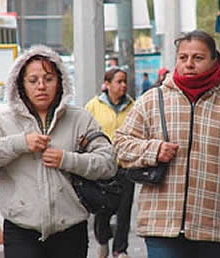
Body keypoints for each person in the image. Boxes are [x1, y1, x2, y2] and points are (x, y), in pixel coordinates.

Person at [113, 30, 220, 258]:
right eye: (183, 58)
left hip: (218, 227)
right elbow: (120, 144)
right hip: (162, 227)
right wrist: (154, 150)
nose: (189, 64)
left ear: (213, 61)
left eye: (197, 58)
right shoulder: (152, 100)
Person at [0, 45, 117, 258]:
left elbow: (108, 163)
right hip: (21, 231)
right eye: (33, 80)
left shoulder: (80, 119)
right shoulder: (3, 121)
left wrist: (67, 159)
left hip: (70, 231)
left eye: (48, 79)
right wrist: (20, 143)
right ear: (20, 84)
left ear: (60, 82)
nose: (41, 86)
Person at [85, 68, 134, 258]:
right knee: (102, 211)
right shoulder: (93, 106)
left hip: (125, 168)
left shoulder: (133, 106)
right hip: (102, 169)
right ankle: (103, 241)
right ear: (107, 84)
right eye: (119, 81)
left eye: (124, 82)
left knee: (124, 212)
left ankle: (120, 250)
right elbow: (84, 134)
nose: (123, 86)